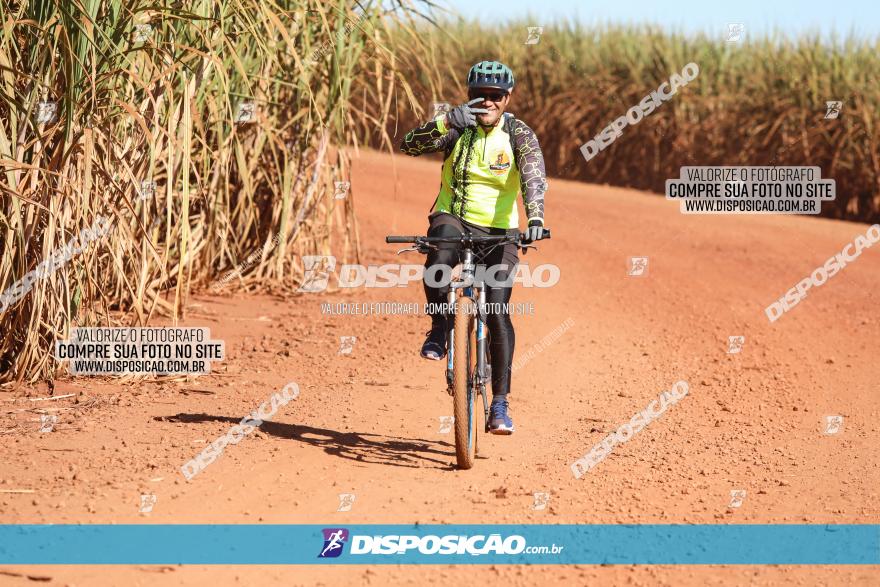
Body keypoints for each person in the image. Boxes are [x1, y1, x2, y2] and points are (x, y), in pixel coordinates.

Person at [399, 60, 547, 434]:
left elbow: (533, 176)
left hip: (500, 232)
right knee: (439, 253)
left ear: (507, 98)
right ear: (469, 96)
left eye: (495, 96)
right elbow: (408, 145)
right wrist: (447, 121)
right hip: (454, 216)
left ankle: (499, 404)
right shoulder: (457, 126)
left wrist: (535, 221)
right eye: (479, 95)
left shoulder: (518, 133)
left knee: (497, 309)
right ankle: (438, 327)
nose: (487, 102)